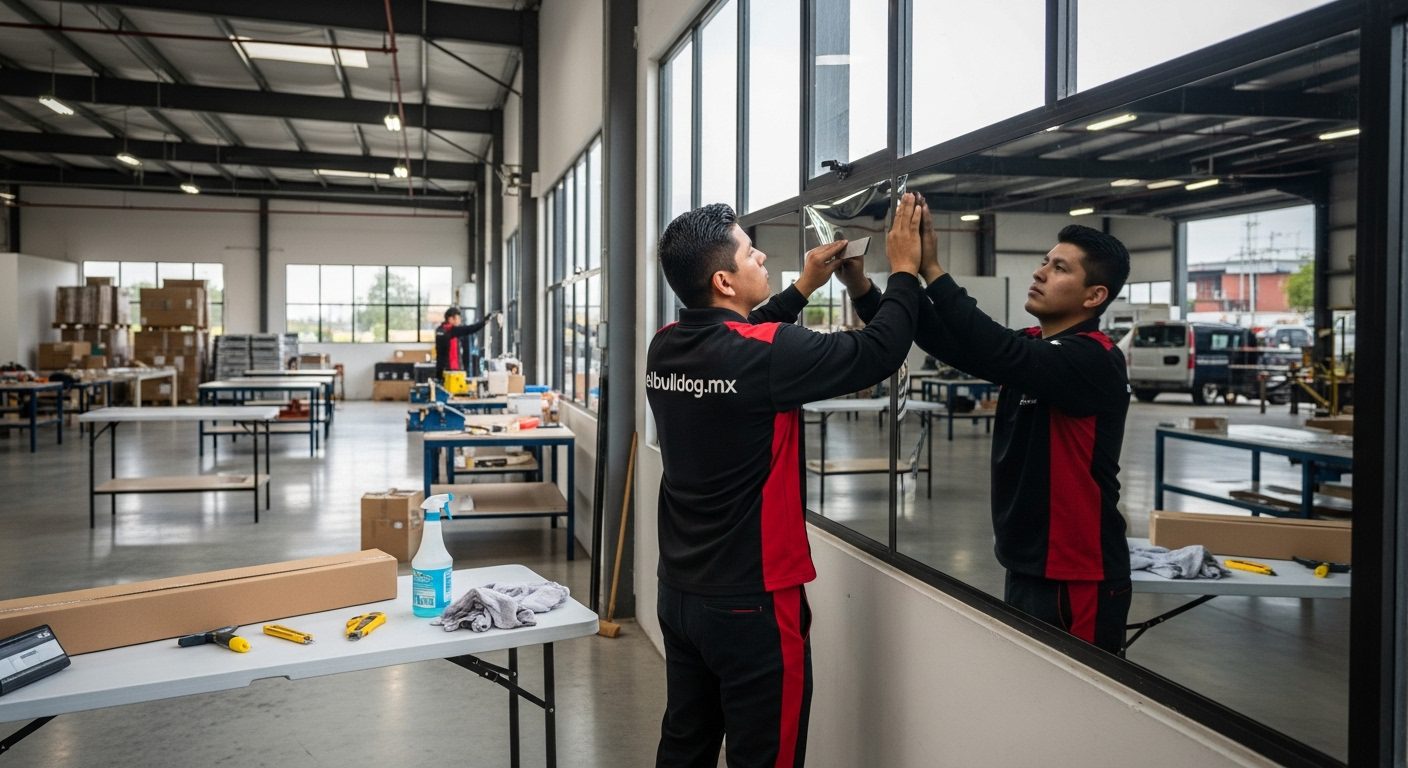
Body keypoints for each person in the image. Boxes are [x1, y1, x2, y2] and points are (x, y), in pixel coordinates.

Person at [647, 197, 925, 768]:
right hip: (754, 601)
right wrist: (901, 270)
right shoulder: (765, 354)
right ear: (725, 280)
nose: (763, 256)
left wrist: (803, 287)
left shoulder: (667, 344)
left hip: (681, 590)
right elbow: (881, 351)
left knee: (685, 742)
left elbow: (749, 336)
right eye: (751, 253)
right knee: (766, 755)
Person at [840, 196, 1133, 654]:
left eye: (1060, 269)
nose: (1040, 272)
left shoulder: (1092, 358)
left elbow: (994, 347)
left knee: (1075, 716)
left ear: (1095, 296)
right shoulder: (1036, 345)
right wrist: (864, 288)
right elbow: (946, 339)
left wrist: (927, 268)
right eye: (1044, 262)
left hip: (1077, 573)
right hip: (1026, 562)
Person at [433, 307, 498, 381]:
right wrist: (485, 321)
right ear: (450, 319)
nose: (459, 321)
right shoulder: (450, 330)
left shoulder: (440, 330)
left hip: (440, 370)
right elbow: (469, 329)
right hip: (450, 371)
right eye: (458, 318)